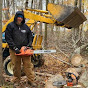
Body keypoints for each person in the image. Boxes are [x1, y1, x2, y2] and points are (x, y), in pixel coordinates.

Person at [5, 11, 35, 87]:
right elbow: (8, 38)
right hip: (14, 50)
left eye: (21, 17)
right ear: (16, 17)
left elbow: (30, 36)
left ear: (23, 18)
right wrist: (14, 47)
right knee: (16, 66)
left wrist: (29, 45)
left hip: (25, 50)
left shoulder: (26, 27)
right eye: (18, 17)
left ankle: (31, 80)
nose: (20, 19)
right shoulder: (10, 26)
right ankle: (16, 81)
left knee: (28, 65)